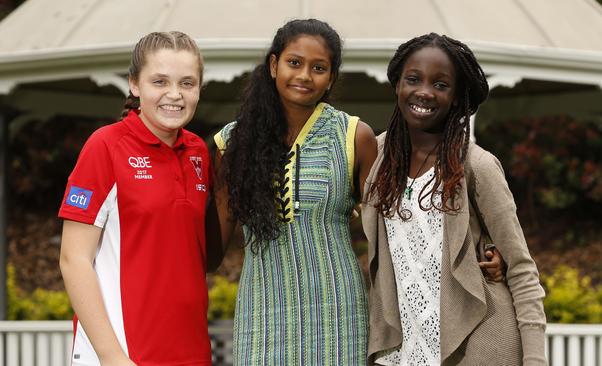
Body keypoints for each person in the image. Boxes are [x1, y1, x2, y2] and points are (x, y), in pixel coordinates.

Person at [206, 20, 505, 365]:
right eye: (294, 63)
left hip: (339, 311)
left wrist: (482, 248)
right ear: (273, 65)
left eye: (319, 68)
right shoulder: (232, 142)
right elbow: (213, 250)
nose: (304, 75)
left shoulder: (353, 136)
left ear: (331, 78)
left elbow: (403, 218)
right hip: (261, 311)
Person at [362, 33, 547, 365]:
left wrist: (535, 360)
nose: (424, 92)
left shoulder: (477, 166)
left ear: (457, 97)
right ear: (397, 85)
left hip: (476, 344)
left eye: (441, 84)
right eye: (413, 79)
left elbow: (521, 268)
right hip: (400, 351)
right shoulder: (373, 156)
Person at [58, 32, 212, 366]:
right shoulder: (106, 147)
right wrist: (112, 357)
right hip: (123, 355)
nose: (175, 94)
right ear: (134, 85)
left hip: (191, 352)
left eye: (187, 83)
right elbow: (73, 259)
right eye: (159, 81)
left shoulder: (199, 151)